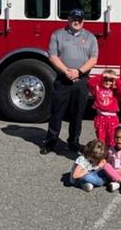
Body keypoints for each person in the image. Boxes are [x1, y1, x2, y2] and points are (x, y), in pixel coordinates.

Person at [41, 8, 98, 155]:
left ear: (83, 20)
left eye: (80, 19)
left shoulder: (91, 37)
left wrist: (78, 72)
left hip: (81, 79)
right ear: (68, 19)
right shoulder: (58, 34)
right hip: (62, 79)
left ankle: (73, 142)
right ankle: (50, 142)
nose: (77, 21)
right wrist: (66, 71)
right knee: (56, 112)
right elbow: (53, 56)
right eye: (74, 18)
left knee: (77, 113)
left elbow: (93, 59)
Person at [87, 69, 121, 147]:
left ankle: (111, 155)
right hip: (100, 117)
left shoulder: (115, 92)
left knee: (112, 138)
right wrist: (102, 75)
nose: (108, 82)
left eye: (110, 80)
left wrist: (116, 78)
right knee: (101, 139)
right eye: (106, 80)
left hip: (112, 119)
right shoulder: (97, 89)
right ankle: (102, 156)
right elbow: (90, 82)